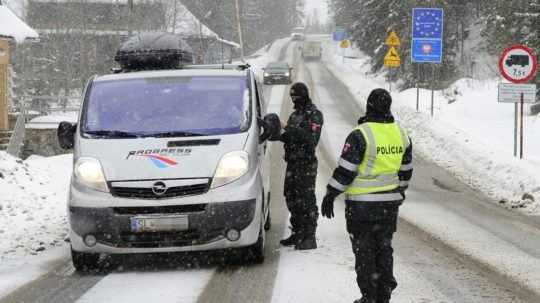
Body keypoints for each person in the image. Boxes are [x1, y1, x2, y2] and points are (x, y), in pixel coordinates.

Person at [321, 88, 413, 303]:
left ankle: (369, 296)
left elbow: (346, 170)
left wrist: (330, 194)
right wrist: (397, 191)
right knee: (384, 248)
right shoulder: (401, 134)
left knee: (364, 252)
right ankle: (384, 293)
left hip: (361, 207)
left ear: (369, 106)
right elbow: (406, 170)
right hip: (389, 206)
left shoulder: (360, 134)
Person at [279, 82, 323, 250]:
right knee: (291, 198)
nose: (294, 100)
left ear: (303, 96)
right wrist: (276, 133)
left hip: (306, 164)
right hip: (292, 163)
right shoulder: (294, 115)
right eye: (292, 97)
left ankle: (309, 236)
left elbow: (311, 139)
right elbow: (290, 136)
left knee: (306, 200)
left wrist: (287, 128)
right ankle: (297, 232)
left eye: (296, 97)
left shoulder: (315, 115)